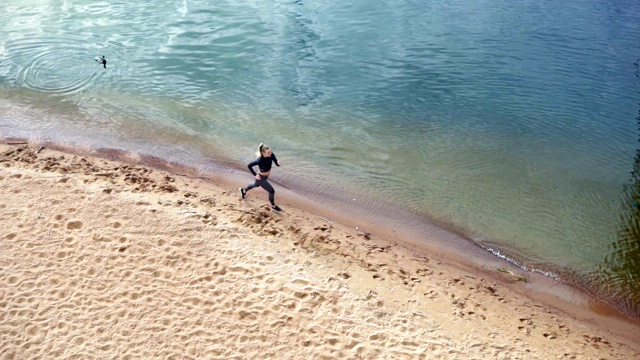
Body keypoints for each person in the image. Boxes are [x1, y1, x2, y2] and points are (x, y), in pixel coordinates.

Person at [240, 143, 282, 211]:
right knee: (271, 191)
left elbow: (276, 162)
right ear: (263, 153)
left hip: (265, 177)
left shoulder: (271, 155)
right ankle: (273, 206)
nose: (270, 153)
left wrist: (278, 163)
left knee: (255, 184)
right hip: (261, 178)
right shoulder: (260, 160)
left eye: (270, 151)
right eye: (268, 153)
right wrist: (255, 175)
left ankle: (243, 190)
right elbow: (249, 165)